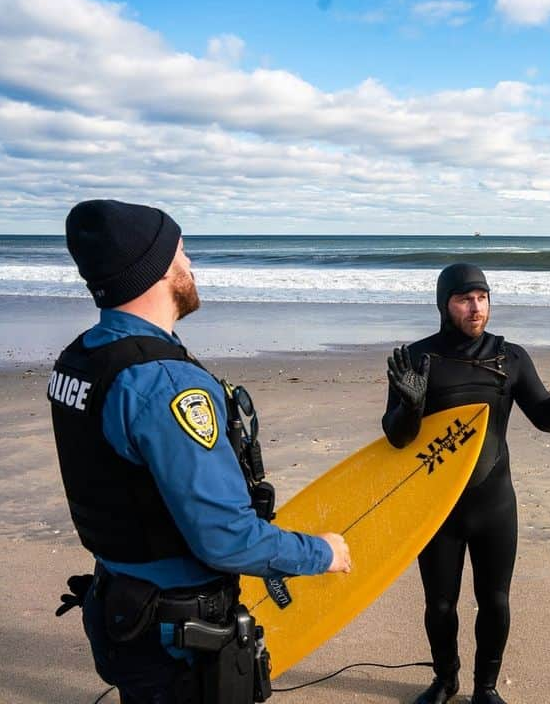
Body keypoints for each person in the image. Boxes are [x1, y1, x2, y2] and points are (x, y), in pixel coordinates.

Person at [50, 199, 351, 703]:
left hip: (121, 601)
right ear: (156, 270)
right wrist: (322, 553)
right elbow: (225, 539)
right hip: (173, 636)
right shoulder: (166, 384)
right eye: (182, 253)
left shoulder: (81, 358)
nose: (190, 266)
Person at [382, 263, 550, 704]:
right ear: (445, 304)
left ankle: (486, 688)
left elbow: (547, 421)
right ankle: (445, 681)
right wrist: (409, 406)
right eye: (465, 298)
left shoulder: (511, 357)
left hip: (494, 505)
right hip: (438, 506)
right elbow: (397, 438)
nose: (476, 307)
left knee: (495, 601)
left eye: (482, 297)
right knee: (440, 605)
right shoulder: (418, 360)